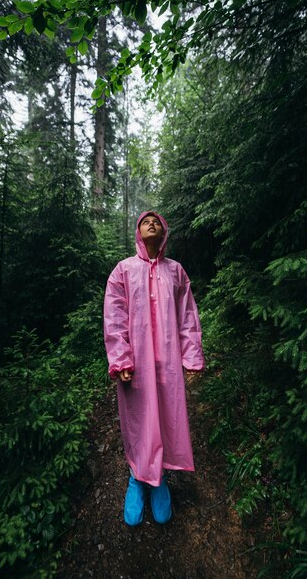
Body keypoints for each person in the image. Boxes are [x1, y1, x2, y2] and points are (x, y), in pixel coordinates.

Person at [103, 211, 205, 526]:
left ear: (164, 232)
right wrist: (120, 357)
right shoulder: (123, 270)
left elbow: (188, 316)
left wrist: (191, 357)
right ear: (138, 231)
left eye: (156, 221)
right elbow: (114, 315)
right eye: (145, 220)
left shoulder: (176, 272)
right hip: (135, 365)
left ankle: (158, 478)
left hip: (169, 363)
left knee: (166, 419)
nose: (151, 222)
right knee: (137, 421)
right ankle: (137, 477)